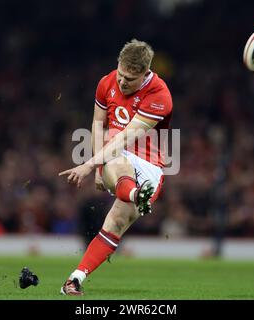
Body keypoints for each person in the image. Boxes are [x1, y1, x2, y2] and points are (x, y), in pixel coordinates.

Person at [58, 39, 173, 295]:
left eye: (130, 79)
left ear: (146, 73)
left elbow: (126, 137)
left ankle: (75, 279)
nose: (122, 82)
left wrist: (88, 165)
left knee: (115, 224)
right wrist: (99, 169)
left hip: (149, 165)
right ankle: (135, 195)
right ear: (118, 65)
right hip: (117, 159)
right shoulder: (106, 83)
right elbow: (98, 124)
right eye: (121, 74)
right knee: (118, 159)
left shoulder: (160, 96)